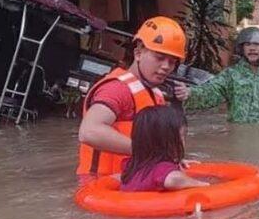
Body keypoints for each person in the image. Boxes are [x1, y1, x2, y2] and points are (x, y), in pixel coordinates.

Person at [77, 16, 188, 177]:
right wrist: (149, 153)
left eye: (172, 62)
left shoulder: (156, 93)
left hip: (132, 182)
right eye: (159, 57)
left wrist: (170, 160)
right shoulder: (117, 89)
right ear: (138, 53)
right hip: (101, 186)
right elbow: (89, 132)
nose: (166, 66)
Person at [176, 27, 259, 124]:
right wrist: (189, 93)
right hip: (239, 138)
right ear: (242, 48)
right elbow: (211, 92)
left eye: (256, 44)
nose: (252, 48)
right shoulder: (231, 75)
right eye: (248, 44)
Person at [120, 105, 208, 191]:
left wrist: (177, 161)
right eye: (182, 136)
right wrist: (201, 184)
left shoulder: (130, 165)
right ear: (166, 142)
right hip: (152, 205)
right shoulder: (161, 169)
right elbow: (173, 180)